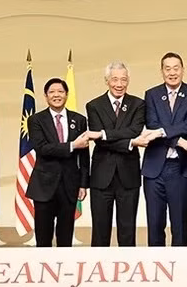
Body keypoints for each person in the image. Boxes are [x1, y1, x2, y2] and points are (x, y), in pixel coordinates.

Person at [141, 52, 187, 247]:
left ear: (183, 70)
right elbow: (151, 123)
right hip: (154, 169)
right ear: (162, 71)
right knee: (155, 223)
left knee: (179, 224)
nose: (172, 72)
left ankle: (180, 271)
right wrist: (179, 141)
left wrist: (162, 132)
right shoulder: (152, 94)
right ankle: (157, 270)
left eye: (176, 68)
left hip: (181, 168)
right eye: (167, 69)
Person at [85, 61, 148, 247]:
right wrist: (130, 142)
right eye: (114, 79)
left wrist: (105, 134)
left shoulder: (138, 104)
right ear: (107, 81)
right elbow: (100, 141)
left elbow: (135, 130)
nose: (119, 84)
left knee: (127, 229)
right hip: (101, 176)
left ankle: (127, 271)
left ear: (128, 81)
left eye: (123, 79)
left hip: (128, 175)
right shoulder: (94, 105)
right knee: (100, 229)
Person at [26, 78, 91, 247]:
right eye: (52, 92)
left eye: (60, 91)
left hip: (69, 185)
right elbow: (42, 149)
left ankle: (65, 270)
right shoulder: (36, 120)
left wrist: (83, 184)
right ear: (46, 96)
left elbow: (84, 156)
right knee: (43, 237)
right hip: (44, 186)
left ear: (66, 94)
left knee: (65, 237)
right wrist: (72, 145)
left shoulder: (79, 120)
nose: (57, 95)